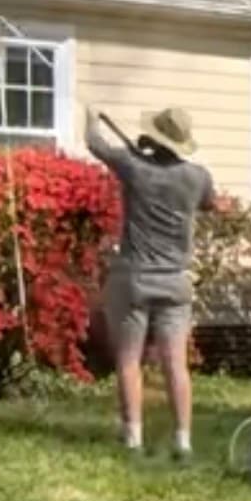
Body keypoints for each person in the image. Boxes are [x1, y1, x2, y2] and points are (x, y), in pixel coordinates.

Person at [86, 106, 215, 461]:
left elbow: (95, 144)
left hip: (134, 278)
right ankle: (183, 441)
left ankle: (133, 439)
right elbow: (209, 204)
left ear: (154, 139)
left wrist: (92, 117)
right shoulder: (198, 177)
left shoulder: (134, 167)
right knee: (176, 363)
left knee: (130, 360)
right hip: (176, 281)